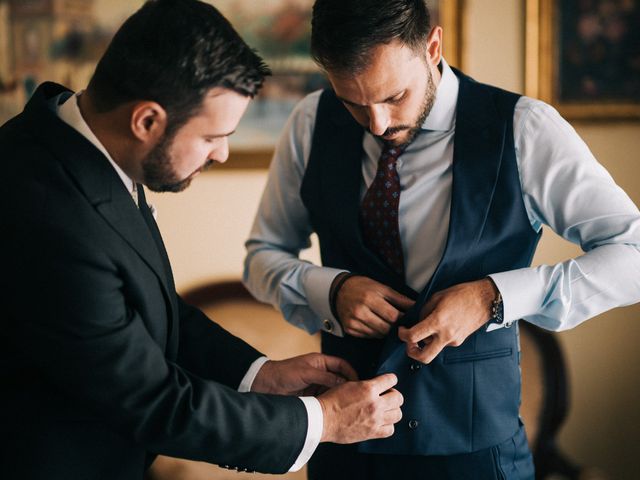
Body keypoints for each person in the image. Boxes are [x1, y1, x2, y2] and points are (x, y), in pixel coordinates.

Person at [0, 1, 405, 479]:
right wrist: (325, 421)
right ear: (147, 121)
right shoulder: (48, 211)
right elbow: (154, 403)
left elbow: (146, 309)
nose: (223, 152)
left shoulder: (78, 146)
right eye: (213, 136)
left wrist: (260, 375)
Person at [243, 0, 640, 478]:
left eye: (394, 97)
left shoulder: (525, 127)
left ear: (432, 46)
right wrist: (328, 288)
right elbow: (261, 258)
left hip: (476, 453)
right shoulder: (311, 121)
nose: (378, 125)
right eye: (352, 102)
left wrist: (494, 296)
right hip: (342, 444)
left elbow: (632, 254)